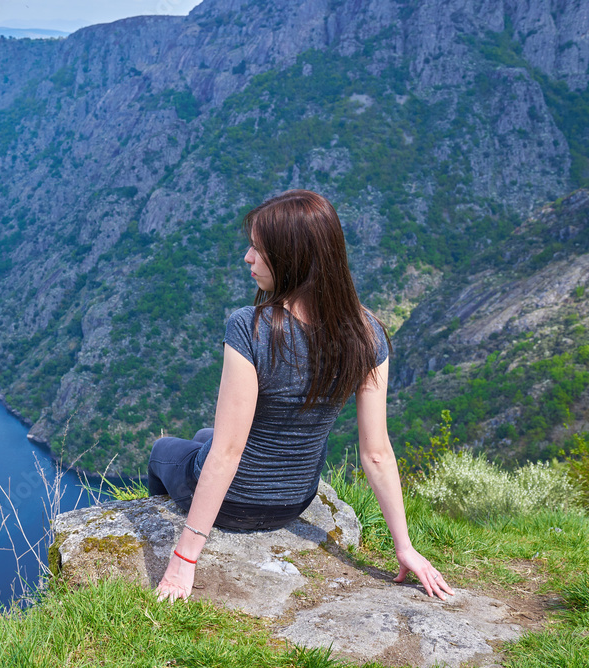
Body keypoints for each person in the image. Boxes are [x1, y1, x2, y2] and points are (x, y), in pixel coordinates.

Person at [149, 189, 453, 603]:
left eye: (259, 249)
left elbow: (228, 453)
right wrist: (405, 548)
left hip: (235, 505)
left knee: (165, 450)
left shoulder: (249, 327)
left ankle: (158, 520)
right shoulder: (368, 333)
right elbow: (377, 453)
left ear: (292, 257)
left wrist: (184, 559)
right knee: (205, 434)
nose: (247, 258)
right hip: (293, 502)